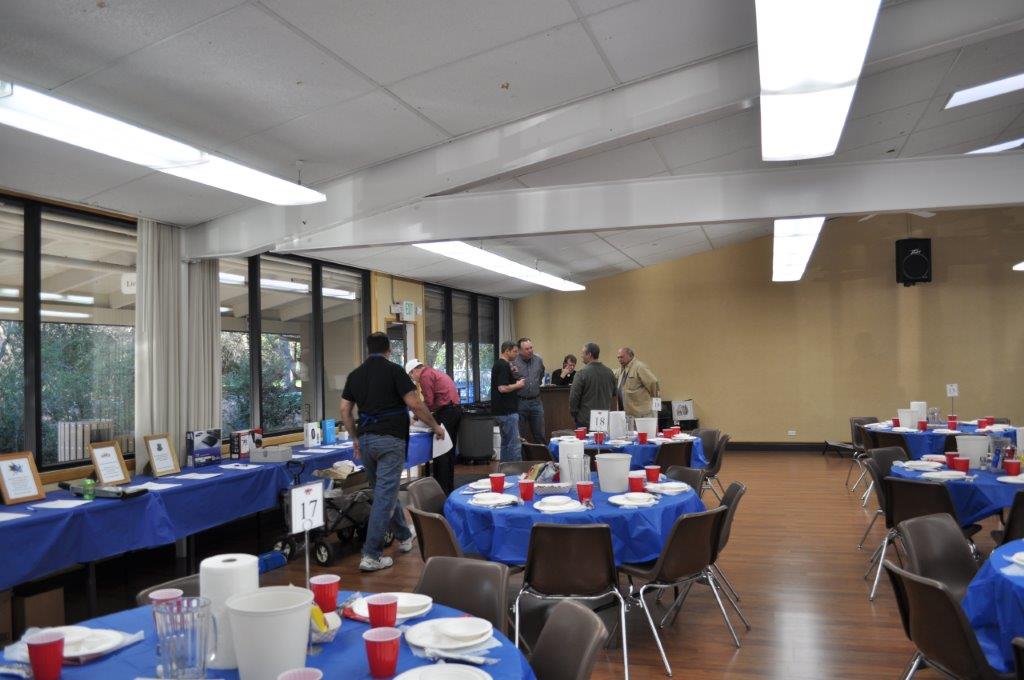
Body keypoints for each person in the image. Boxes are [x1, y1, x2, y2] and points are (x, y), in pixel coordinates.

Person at [340, 332, 445, 572]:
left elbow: (345, 409)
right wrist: (435, 426)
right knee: (383, 496)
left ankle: (404, 534)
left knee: (383, 490)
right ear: (388, 350)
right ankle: (371, 555)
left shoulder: (355, 375)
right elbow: (415, 404)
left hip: (366, 441)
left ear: (368, 350)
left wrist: (355, 438)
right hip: (390, 441)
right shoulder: (395, 371)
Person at [405, 358, 461, 495]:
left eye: (411, 376)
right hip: (455, 411)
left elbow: (429, 403)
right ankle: (448, 488)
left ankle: (440, 490)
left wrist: (416, 416)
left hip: (446, 412)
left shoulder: (425, 376)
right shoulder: (433, 372)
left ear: (414, 371)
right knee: (449, 451)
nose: (414, 380)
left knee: (441, 452)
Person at [491, 340, 525, 461]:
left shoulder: (499, 364)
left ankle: (505, 469)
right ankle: (516, 470)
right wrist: (518, 385)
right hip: (507, 411)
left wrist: (511, 373)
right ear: (507, 351)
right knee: (514, 445)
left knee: (505, 444)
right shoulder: (504, 365)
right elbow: (502, 388)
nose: (517, 354)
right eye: (515, 351)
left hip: (500, 410)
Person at [568, 342, 616, 428]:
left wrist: (575, 415)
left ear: (589, 354)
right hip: (604, 420)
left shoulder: (581, 373)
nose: (581, 356)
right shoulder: (610, 372)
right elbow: (614, 393)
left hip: (585, 420)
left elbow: (573, 398)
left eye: (583, 353)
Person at [511, 337, 546, 444]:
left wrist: (534, 385)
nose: (530, 350)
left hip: (536, 402)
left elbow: (541, 375)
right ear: (520, 350)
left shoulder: (538, 360)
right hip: (520, 402)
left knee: (540, 434)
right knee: (520, 435)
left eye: (531, 348)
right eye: (527, 349)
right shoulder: (513, 362)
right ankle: (523, 455)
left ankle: (541, 454)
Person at [615, 347, 661, 419]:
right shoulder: (622, 369)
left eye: (622, 357)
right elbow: (612, 374)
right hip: (627, 413)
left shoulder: (639, 367)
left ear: (630, 356)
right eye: (618, 357)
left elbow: (653, 382)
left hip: (640, 414)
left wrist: (654, 399)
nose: (619, 360)